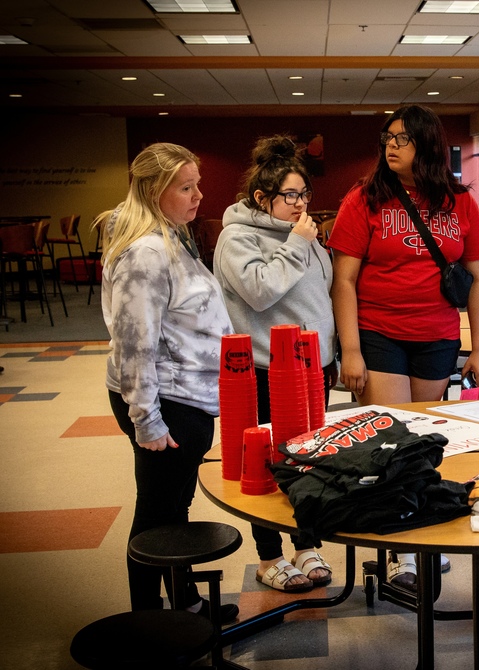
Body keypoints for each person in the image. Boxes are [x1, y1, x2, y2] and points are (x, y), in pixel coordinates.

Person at [328, 104, 479, 588]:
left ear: (427, 145)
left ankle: (417, 528)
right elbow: (344, 280)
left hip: (437, 336)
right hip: (377, 331)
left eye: (403, 138)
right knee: (390, 440)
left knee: (420, 442)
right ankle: (398, 547)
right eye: (388, 138)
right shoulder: (364, 198)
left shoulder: (458, 201)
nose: (392, 146)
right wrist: (351, 350)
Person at [100, 143, 238, 620]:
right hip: (164, 400)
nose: (199, 194)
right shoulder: (145, 252)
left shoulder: (171, 235)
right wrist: (149, 421)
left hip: (186, 395)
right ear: (155, 191)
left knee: (175, 511)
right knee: (154, 517)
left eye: (197, 183)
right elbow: (134, 343)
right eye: (186, 187)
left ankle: (185, 605)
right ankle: (148, 621)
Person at [214, 135, 337, 592]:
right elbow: (261, 291)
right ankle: (269, 557)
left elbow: (318, 301)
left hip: (313, 367)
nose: (301, 203)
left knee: (308, 461)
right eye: (291, 195)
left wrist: (333, 355)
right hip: (266, 369)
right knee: (268, 465)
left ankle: (306, 546)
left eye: (305, 194)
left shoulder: (301, 234)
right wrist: (297, 244)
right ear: (262, 198)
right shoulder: (236, 238)